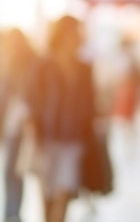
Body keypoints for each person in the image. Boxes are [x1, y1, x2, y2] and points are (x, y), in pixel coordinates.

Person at [29, 15, 97, 222]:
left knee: (64, 192)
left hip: (73, 139)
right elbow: (32, 102)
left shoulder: (84, 68)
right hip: (46, 138)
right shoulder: (43, 66)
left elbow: (91, 105)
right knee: (48, 195)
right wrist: (33, 136)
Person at [0, 28, 39, 222]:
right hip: (11, 122)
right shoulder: (9, 62)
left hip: (21, 123)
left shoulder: (27, 64)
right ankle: (12, 211)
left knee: (14, 169)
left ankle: (12, 212)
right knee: (13, 169)